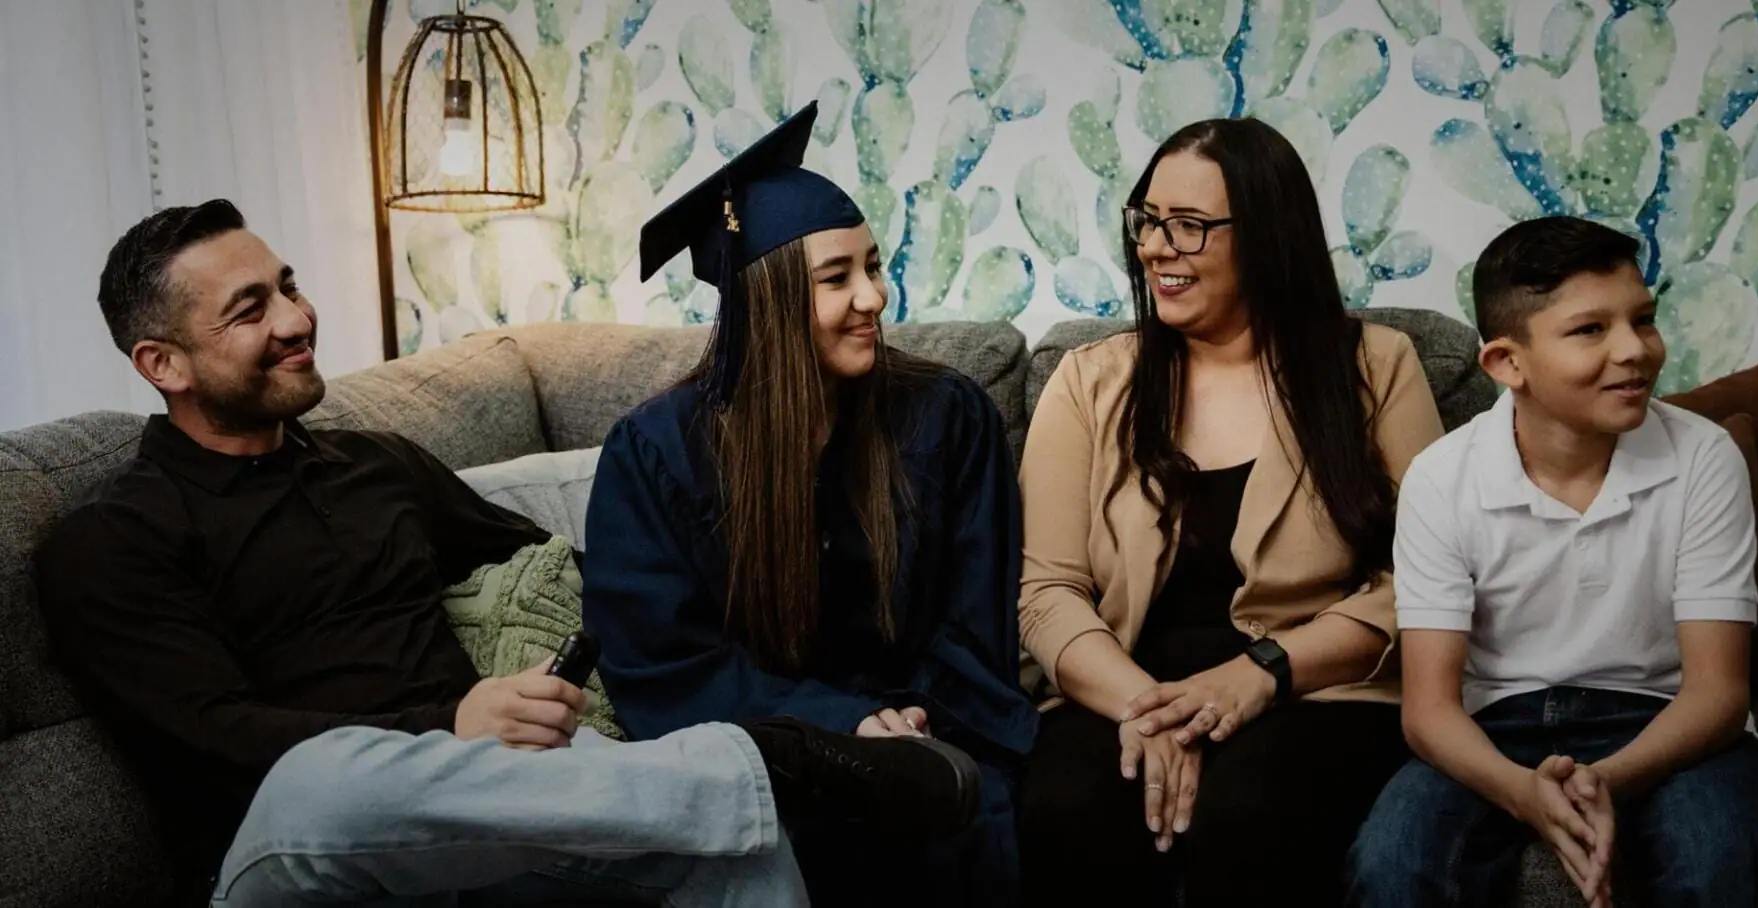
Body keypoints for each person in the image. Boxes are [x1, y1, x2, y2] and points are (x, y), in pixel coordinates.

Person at [36, 198, 981, 907]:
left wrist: (538, 681)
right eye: (250, 309)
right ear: (164, 364)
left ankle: (748, 778)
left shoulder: (375, 467)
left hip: (498, 817)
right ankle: (773, 761)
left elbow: (561, 569)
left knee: (738, 849)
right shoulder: (110, 540)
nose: (295, 319)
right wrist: (449, 724)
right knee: (319, 779)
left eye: (288, 284)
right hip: (301, 849)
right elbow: (216, 746)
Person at [580, 102, 1036, 907]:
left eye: (874, 266)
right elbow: (663, 664)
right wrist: (835, 724)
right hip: (768, 757)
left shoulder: (948, 416)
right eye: (838, 277)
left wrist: (907, 729)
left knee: (959, 819)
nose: (874, 296)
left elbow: (975, 630)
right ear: (767, 301)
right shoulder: (657, 453)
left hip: (933, 743)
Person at [1014, 116, 1445, 906]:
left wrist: (1262, 674)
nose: (1156, 248)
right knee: (1066, 807)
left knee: (1247, 813)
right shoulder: (1086, 382)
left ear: (1268, 235)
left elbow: (1425, 580)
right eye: (1148, 220)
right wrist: (1147, 711)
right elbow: (1046, 593)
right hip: (1125, 683)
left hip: (1312, 691)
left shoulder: (1379, 368)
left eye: (1189, 227)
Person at [1346, 216, 1758, 907]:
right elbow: (1430, 712)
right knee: (1392, 866)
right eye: (1590, 330)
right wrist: (1525, 794)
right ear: (1507, 364)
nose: (1635, 351)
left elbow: (1717, 692)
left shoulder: (1705, 457)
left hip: (1666, 718)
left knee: (1729, 861)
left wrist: (1602, 783)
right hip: (1495, 725)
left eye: (1643, 320)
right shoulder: (1442, 478)